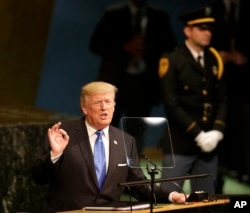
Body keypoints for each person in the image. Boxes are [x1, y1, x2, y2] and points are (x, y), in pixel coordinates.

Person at [32, 81, 186, 213]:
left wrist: (171, 196)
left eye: (108, 102)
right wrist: (55, 154)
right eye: (98, 102)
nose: (104, 108)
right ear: (84, 108)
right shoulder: (63, 134)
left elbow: (137, 185)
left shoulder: (126, 140)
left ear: (114, 106)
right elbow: (39, 178)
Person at [89, 0, 177, 153]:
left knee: (135, 134)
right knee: (103, 127)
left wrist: (149, 49)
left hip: (144, 87)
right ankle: (95, 166)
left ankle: (129, 171)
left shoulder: (160, 17)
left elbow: (170, 49)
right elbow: (95, 44)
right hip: (113, 83)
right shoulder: (113, 13)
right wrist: (123, 48)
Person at [158, 6, 227, 194]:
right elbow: (171, 104)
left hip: (209, 144)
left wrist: (218, 131)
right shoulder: (172, 60)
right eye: (202, 28)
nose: (207, 33)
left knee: (207, 201)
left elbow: (221, 99)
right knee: (168, 198)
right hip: (181, 143)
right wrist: (198, 134)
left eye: (210, 29)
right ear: (187, 30)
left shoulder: (214, 60)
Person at [209, 0, 250, 184]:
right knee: (218, 126)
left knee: (245, 127)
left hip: (245, 84)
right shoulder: (211, 9)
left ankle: (243, 170)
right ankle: (219, 171)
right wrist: (219, 56)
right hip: (216, 83)